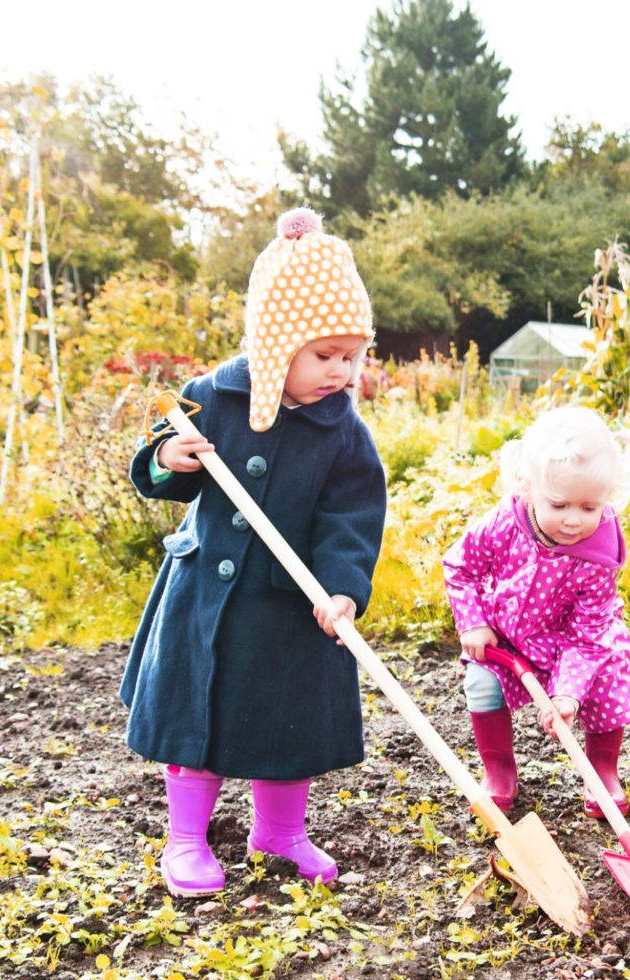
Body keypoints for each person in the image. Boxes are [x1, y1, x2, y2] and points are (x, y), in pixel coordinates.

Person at [121, 208, 387, 896]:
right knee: (197, 716)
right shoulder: (214, 396)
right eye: (324, 354)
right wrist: (168, 457)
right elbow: (160, 470)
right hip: (205, 596)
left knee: (284, 720)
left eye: (351, 357)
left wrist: (341, 587)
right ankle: (186, 838)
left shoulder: (343, 432)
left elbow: (351, 516)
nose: (340, 371)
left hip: (288, 608)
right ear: (276, 343)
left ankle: (279, 832)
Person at [442, 407, 630, 818]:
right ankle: (498, 769)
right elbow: (460, 567)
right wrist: (475, 622)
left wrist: (568, 693)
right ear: (527, 487)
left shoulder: (599, 555)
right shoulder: (503, 523)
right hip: (505, 636)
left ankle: (602, 770)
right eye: (560, 505)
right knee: (483, 683)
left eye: (590, 508)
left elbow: (589, 634)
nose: (574, 520)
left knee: (608, 677)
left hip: (572, 644)